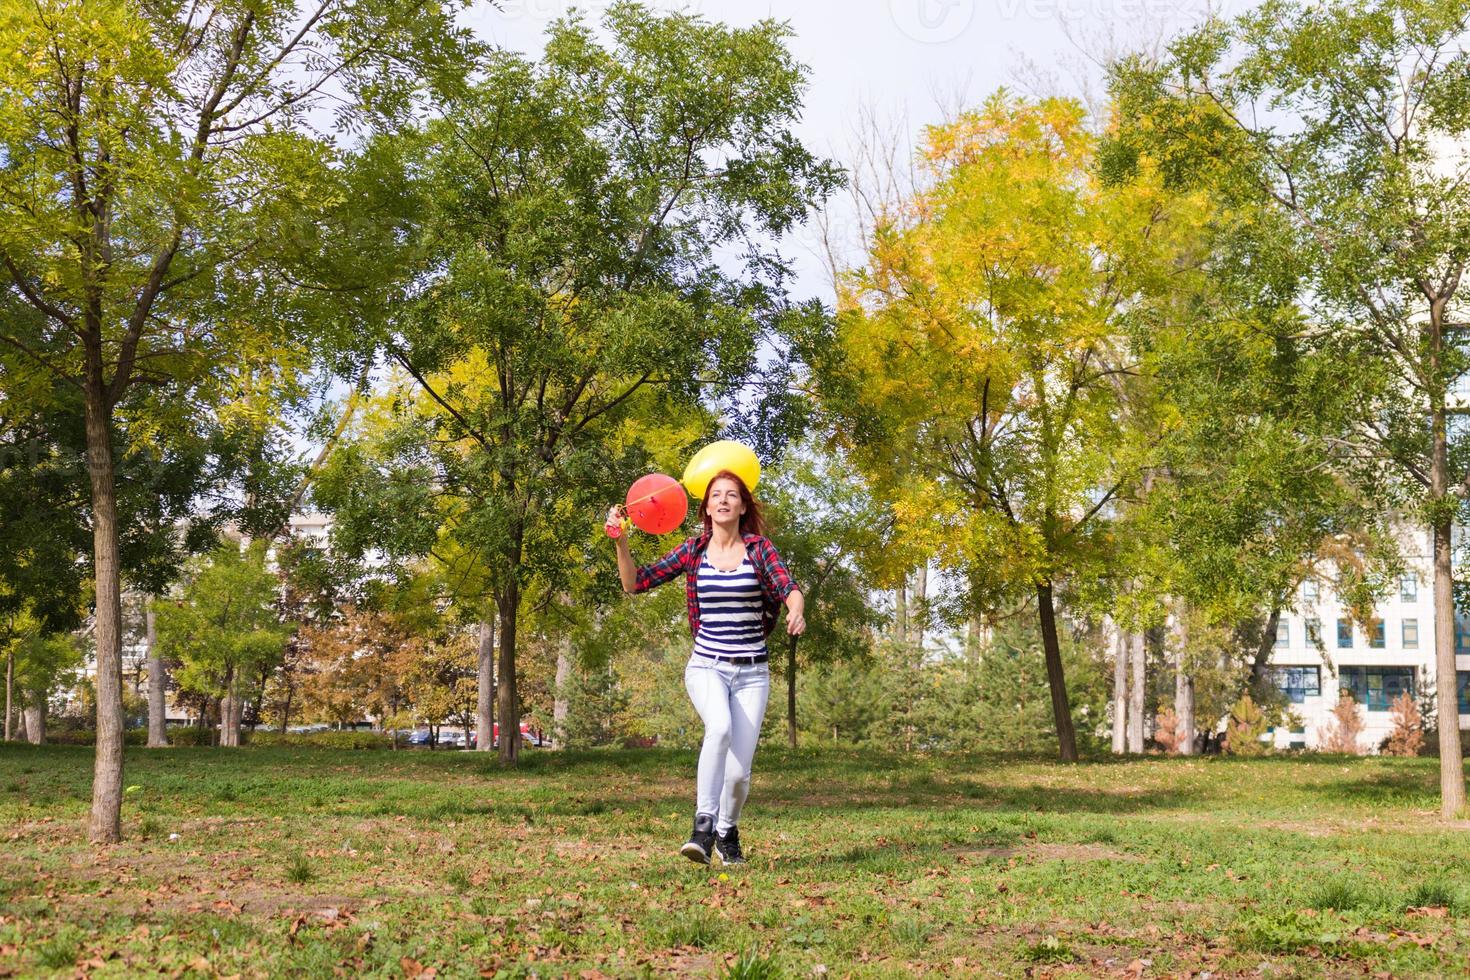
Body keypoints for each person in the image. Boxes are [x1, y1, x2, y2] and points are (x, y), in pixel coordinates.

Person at [609, 469, 805, 865]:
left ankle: (727, 832)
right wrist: (622, 540)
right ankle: (702, 825)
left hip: (752, 672)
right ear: (706, 507)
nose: (723, 500)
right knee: (719, 728)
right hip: (707, 666)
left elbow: (789, 588)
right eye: (716, 495)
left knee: (738, 776)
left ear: (742, 505)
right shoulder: (693, 550)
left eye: (732, 495)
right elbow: (635, 583)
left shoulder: (759, 549)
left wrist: (795, 612)